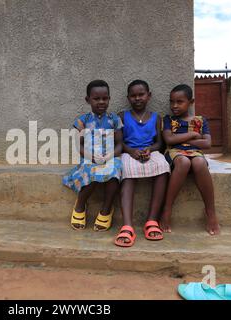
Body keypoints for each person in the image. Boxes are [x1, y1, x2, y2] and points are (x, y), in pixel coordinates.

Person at [114, 80, 170, 247]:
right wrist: (131, 151)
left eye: (141, 94)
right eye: (133, 95)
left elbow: (160, 143)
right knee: (126, 170)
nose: (137, 98)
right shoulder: (122, 116)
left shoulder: (156, 118)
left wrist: (149, 149)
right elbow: (119, 142)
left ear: (149, 96)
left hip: (150, 152)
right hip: (128, 152)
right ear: (128, 98)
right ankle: (127, 225)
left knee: (163, 166)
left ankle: (152, 220)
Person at [63, 80, 123, 232]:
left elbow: (120, 144)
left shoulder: (115, 120)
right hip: (90, 157)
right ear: (87, 100)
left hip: (111, 156)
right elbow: (79, 145)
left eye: (105, 98)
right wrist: (92, 157)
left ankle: (106, 209)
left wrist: (110, 156)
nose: (101, 102)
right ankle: (80, 204)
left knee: (115, 172)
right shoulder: (82, 121)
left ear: (109, 98)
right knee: (92, 171)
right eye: (96, 99)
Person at [161, 84, 220, 235]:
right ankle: (167, 209)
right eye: (172, 101)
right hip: (175, 153)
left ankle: (211, 212)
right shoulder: (169, 120)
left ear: (191, 102)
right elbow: (169, 139)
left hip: (195, 153)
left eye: (179, 102)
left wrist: (182, 140)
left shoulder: (201, 121)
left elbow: (207, 143)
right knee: (184, 162)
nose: (174, 105)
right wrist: (193, 135)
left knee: (199, 162)